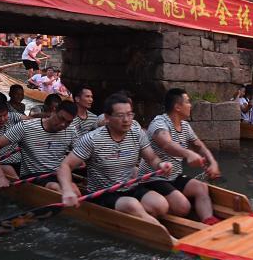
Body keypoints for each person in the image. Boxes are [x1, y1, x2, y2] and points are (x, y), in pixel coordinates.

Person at [57, 93, 173, 227]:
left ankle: (140, 219)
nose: (126, 120)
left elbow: (152, 158)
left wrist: (161, 164)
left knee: (161, 205)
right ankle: (162, 233)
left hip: (131, 187)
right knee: (132, 204)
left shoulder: (137, 133)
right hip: (103, 193)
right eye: (120, 115)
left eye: (130, 114)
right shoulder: (92, 139)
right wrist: (67, 190)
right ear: (107, 118)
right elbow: (65, 166)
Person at [139, 89, 221, 225]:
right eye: (188, 102)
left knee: (201, 188)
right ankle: (154, 208)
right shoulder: (159, 122)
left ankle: (209, 221)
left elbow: (200, 146)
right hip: (153, 178)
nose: (190, 105)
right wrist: (188, 153)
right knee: (183, 207)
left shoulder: (185, 126)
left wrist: (213, 163)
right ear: (177, 107)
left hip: (174, 176)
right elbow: (166, 144)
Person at [0, 100, 77, 191]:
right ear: (54, 111)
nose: (63, 124)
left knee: (74, 189)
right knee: (55, 187)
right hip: (33, 177)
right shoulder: (26, 127)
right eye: (61, 118)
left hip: (59, 176)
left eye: (68, 122)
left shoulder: (71, 131)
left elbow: (80, 156)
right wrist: (0, 177)